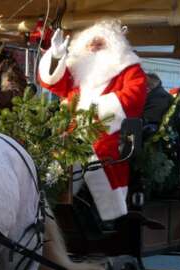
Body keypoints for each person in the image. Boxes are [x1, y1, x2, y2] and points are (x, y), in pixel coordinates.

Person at [38, 20, 147, 222]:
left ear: (113, 46)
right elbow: (53, 83)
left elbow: (133, 99)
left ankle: (98, 218)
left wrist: (89, 115)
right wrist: (55, 56)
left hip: (110, 134)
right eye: (91, 45)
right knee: (51, 163)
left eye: (100, 44)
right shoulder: (79, 69)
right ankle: (52, 211)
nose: (94, 49)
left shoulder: (129, 68)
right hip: (70, 135)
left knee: (88, 156)